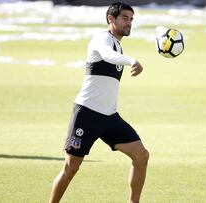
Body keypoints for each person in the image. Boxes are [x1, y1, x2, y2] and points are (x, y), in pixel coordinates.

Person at [49, 2, 149, 203]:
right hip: (87, 114)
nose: (129, 23)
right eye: (124, 18)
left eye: (131, 19)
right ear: (111, 19)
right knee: (71, 168)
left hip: (110, 117)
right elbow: (107, 55)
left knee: (141, 156)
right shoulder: (101, 38)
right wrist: (130, 60)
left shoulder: (118, 44)